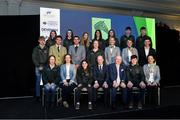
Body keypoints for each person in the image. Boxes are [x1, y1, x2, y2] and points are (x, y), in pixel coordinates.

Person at [32, 36, 49, 101]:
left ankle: (45, 95)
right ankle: (38, 96)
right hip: (38, 66)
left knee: (45, 81)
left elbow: (48, 58)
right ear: (38, 41)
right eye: (41, 40)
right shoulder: (36, 48)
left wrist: (46, 66)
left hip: (45, 66)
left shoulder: (47, 48)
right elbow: (34, 58)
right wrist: (39, 66)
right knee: (38, 81)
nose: (42, 41)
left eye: (43, 40)